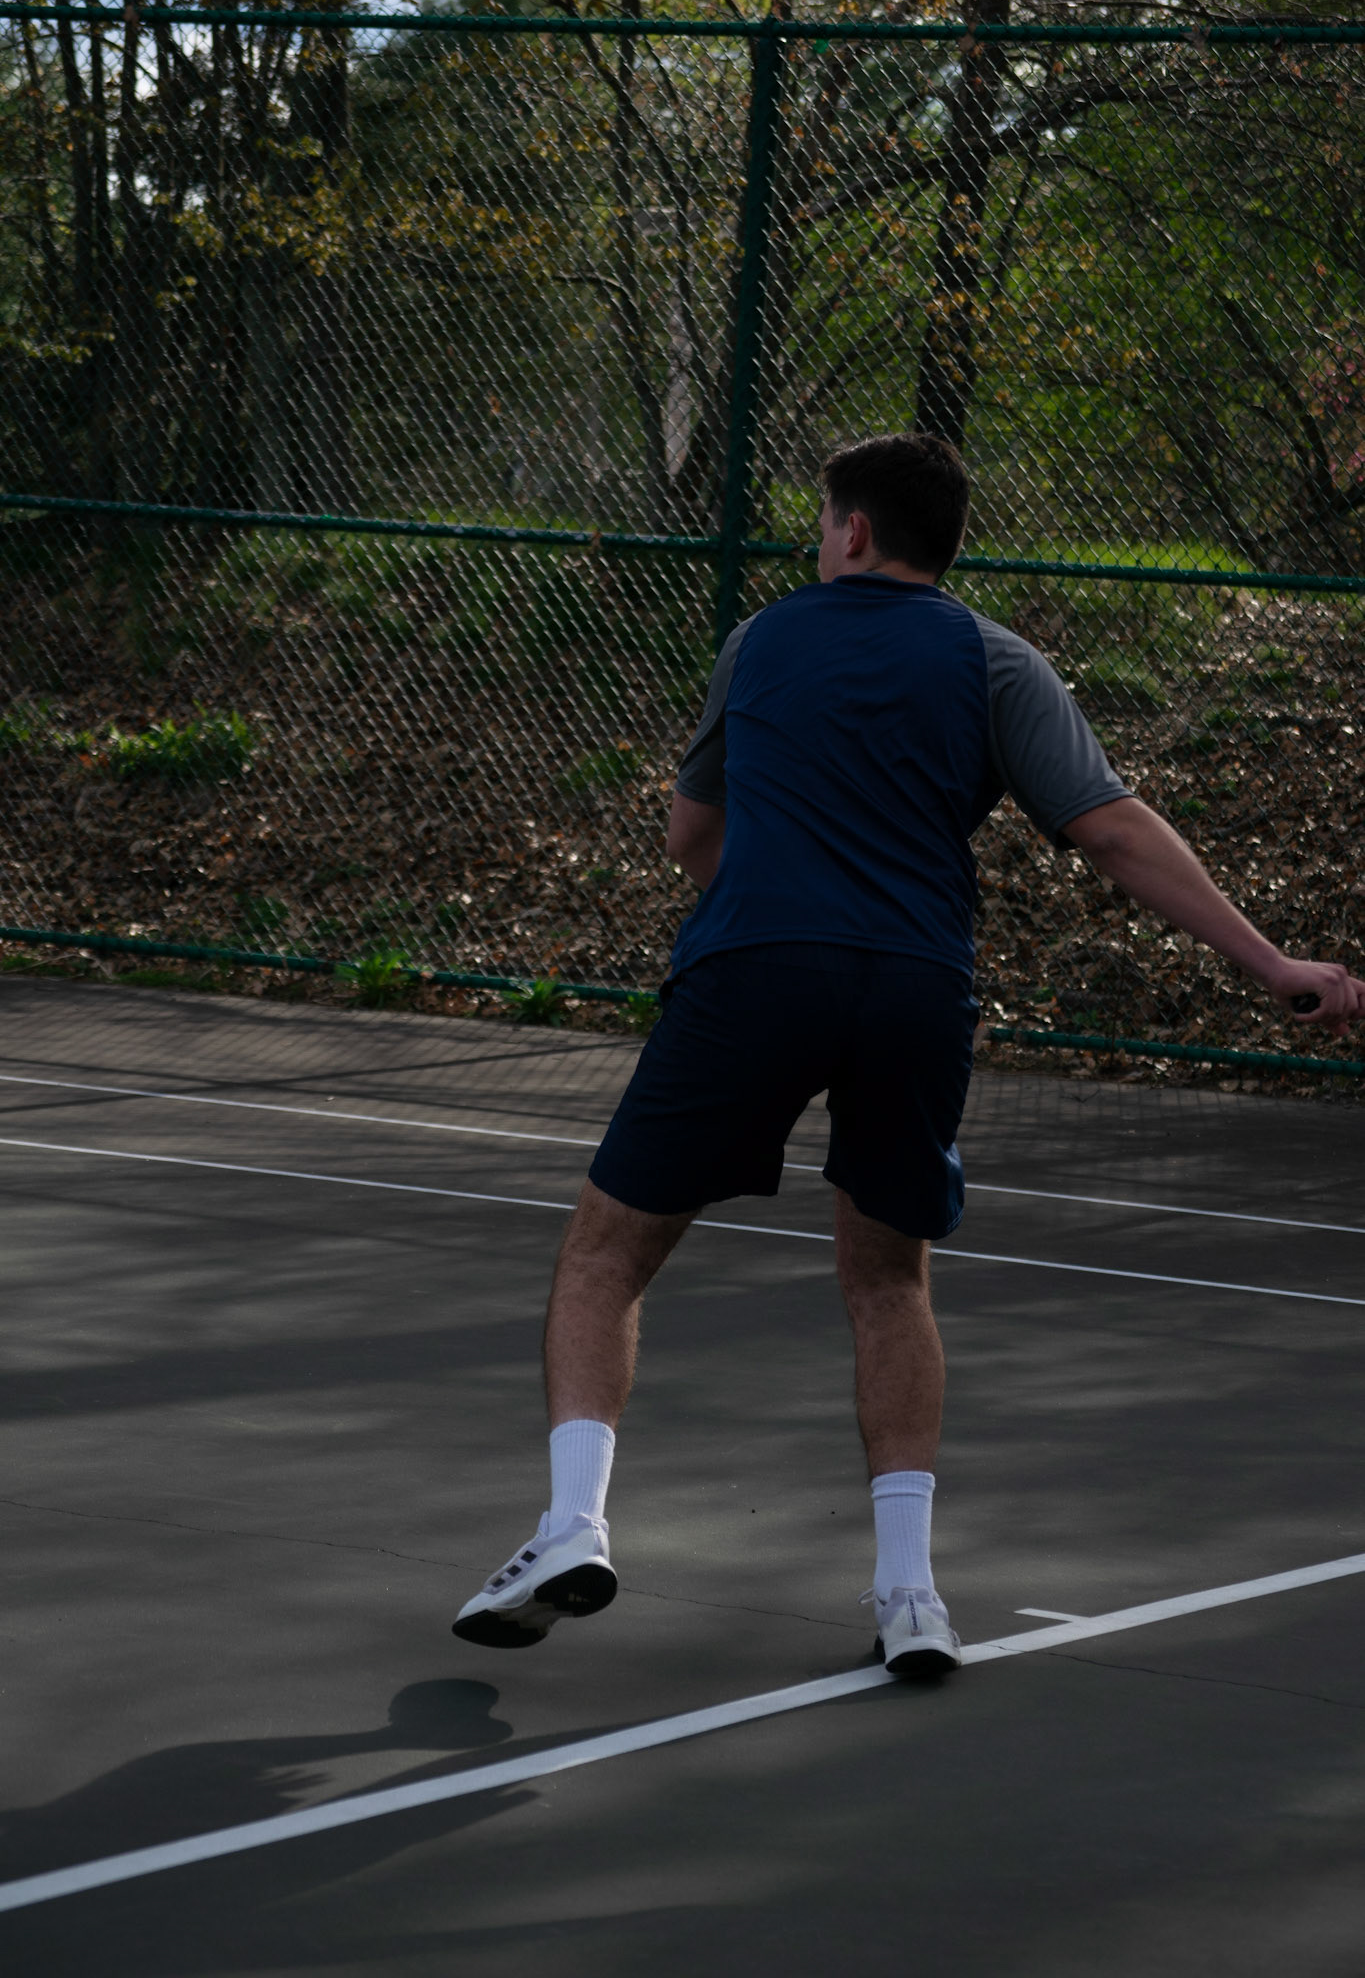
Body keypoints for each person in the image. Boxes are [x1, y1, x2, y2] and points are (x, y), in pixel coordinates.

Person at [452, 432, 1364, 1676]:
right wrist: (1270, 963)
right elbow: (1112, 829)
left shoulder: (759, 642)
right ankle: (910, 1595)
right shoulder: (997, 659)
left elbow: (691, 836)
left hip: (755, 971)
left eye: (822, 521)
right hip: (917, 987)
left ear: (856, 532)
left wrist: (777, 908)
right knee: (889, 1279)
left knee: (607, 1251)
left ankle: (573, 1525)